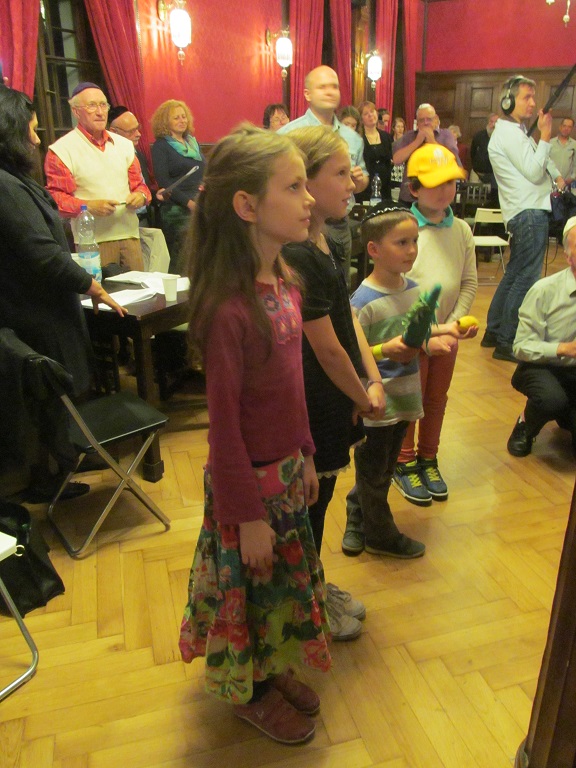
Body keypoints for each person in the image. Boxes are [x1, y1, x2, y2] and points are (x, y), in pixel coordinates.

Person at [178, 124, 330, 746]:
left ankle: (269, 667)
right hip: (249, 493)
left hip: (286, 474)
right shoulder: (230, 310)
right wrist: (247, 519)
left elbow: (291, 392)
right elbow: (224, 429)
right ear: (247, 206)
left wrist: (307, 455)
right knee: (251, 595)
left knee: (276, 594)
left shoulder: (286, 285)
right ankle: (251, 693)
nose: (308, 199)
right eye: (293, 187)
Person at [282, 126, 386, 640]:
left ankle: (314, 583)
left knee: (320, 498)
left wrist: (371, 377)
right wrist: (360, 394)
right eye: (340, 174)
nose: (352, 183)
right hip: (316, 395)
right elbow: (324, 348)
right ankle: (305, 603)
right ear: (306, 181)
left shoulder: (323, 237)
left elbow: (345, 315)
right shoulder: (297, 253)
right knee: (311, 504)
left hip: (337, 390)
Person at [0, 85, 126, 499]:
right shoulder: (5, 187)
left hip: (40, 306)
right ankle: (49, 476)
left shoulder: (13, 180)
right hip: (35, 311)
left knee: (56, 391)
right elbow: (41, 252)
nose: (37, 140)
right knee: (48, 391)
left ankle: (66, 456)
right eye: (32, 130)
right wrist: (91, 285)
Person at [343, 208, 457, 558]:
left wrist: (439, 336)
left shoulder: (413, 290)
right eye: (402, 242)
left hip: (406, 398)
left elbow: (413, 335)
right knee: (375, 472)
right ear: (374, 250)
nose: (412, 250)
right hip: (377, 405)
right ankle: (381, 536)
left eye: (414, 241)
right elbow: (353, 355)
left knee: (383, 469)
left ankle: (357, 515)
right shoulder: (362, 302)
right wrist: (382, 353)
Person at [392, 144, 478, 506]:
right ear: (414, 188)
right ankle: (403, 460)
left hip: (447, 335)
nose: (445, 190)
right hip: (410, 336)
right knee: (410, 399)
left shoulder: (461, 231)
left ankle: (428, 456)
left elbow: (469, 282)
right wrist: (424, 338)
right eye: (435, 183)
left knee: (436, 399)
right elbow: (395, 289)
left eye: (451, 183)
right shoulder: (403, 230)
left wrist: (453, 326)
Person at [482, 76, 564, 363]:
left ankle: (494, 332)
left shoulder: (515, 132)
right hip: (528, 213)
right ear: (508, 101)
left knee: (515, 274)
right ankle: (507, 341)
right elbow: (533, 171)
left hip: (524, 212)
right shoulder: (510, 134)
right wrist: (545, 135)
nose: (532, 103)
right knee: (525, 279)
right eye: (526, 97)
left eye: (533, 97)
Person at [45, 82, 151, 271]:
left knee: (138, 288)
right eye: (92, 106)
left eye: (103, 105)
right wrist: (88, 206)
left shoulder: (124, 145)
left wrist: (141, 196)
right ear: (76, 112)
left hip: (130, 235)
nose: (100, 112)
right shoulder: (62, 150)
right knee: (101, 289)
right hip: (92, 241)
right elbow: (56, 199)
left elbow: (141, 187)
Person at [278, 66, 369, 285]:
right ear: (307, 94)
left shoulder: (353, 138)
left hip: (339, 223)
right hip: (299, 223)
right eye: (323, 87)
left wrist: (357, 181)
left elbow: (361, 182)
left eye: (334, 87)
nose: (330, 91)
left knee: (339, 286)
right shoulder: (288, 134)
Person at [507, 216, 576, 458]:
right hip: (541, 366)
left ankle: (565, 414)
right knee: (551, 399)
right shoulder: (544, 290)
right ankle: (526, 423)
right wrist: (564, 349)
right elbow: (521, 347)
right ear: (568, 257)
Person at [151, 99, 205, 273]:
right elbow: (164, 182)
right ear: (165, 122)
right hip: (176, 209)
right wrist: (190, 204)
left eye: (184, 117)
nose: (182, 120)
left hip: (198, 204)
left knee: (200, 257)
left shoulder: (192, 143)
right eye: (176, 118)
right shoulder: (161, 146)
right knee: (182, 259)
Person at [392, 103, 461, 206]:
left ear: (436, 119)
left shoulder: (446, 135)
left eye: (429, 119)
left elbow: (454, 163)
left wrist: (432, 141)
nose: (425, 123)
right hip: (409, 197)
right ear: (417, 122)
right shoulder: (409, 136)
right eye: (421, 120)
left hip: (437, 197)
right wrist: (417, 141)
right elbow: (397, 159)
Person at [356, 100, 393, 204]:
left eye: (372, 111)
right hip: (365, 188)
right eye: (366, 114)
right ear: (361, 119)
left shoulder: (386, 137)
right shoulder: (358, 138)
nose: (370, 115)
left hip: (385, 187)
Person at [108, 105, 151, 187]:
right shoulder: (110, 159)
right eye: (131, 131)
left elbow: (143, 186)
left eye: (138, 128)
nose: (138, 134)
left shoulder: (138, 154)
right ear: (113, 132)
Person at [470, 113, 499, 204]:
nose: (493, 125)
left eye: (496, 122)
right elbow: (472, 153)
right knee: (473, 200)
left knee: (493, 201)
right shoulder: (478, 136)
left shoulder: (501, 138)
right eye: (491, 121)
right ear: (487, 122)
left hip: (494, 176)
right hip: (477, 173)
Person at [549, 117, 576, 185]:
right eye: (564, 126)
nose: (566, 129)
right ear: (560, 127)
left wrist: (572, 178)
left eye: (569, 127)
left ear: (572, 129)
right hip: (549, 181)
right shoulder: (550, 143)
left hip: (567, 183)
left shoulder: (574, 144)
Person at [390, 117, 406, 190]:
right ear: (393, 128)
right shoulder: (389, 139)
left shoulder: (406, 140)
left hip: (402, 170)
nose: (400, 129)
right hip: (391, 168)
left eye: (402, 127)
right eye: (398, 127)